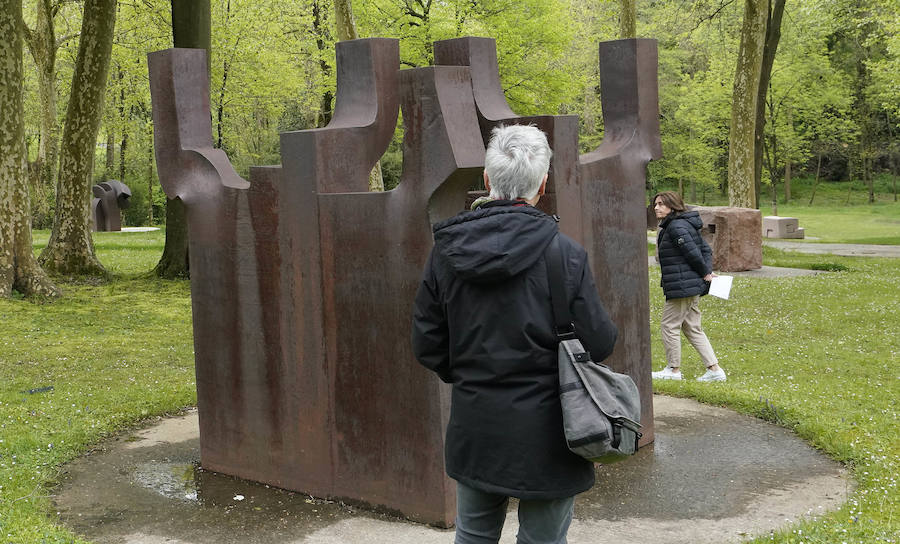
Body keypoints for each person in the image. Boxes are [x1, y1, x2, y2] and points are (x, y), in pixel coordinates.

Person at [411, 124, 618, 544]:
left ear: (487, 180)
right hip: (551, 429)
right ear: (542, 185)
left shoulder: (446, 254)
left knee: (473, 536)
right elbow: (599, 342)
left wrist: (469, 374)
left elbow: (427, 342)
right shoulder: (565, 255)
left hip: (476, 422)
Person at [650, 191, 726, 382]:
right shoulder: (680, 224)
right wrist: (706, 271)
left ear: (673, 206)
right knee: (692, 328)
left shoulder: (676, 227)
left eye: (661, 204)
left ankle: (673, 370)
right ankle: (714, 370)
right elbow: (705, 249)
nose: (656, 208)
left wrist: (706, 272)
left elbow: (693, 253)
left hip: (683, 286)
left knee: (669, 325)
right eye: (656, 204)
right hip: (688, 285)